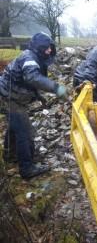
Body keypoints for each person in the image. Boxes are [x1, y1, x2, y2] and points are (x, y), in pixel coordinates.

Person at [0, 32, 67, 179]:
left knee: (14, 127)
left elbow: (27, 81)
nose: (50, 51)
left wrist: (39, 96)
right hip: (10, 98)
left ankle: (10, 156)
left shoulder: (32, 56)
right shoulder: (29, 58)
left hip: (8, 95)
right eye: (48, 48)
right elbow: (32, 78)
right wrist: (56, 88)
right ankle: (27, 168)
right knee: (24, 132)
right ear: (40, 47)